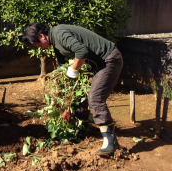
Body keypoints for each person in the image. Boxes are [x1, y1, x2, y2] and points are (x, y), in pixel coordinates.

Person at [22, 23, 123, 156]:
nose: (36, 46)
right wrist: (64, 103)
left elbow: (81, 51)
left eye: (35, 43)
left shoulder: (59, 34)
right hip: (97, 64)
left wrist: (74, 69)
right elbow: (62, 67)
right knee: (78, 95)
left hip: (109, 59)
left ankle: (110, 139)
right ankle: (82, 129)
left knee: (95, 97)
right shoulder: (55, 43)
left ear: (42, 36)